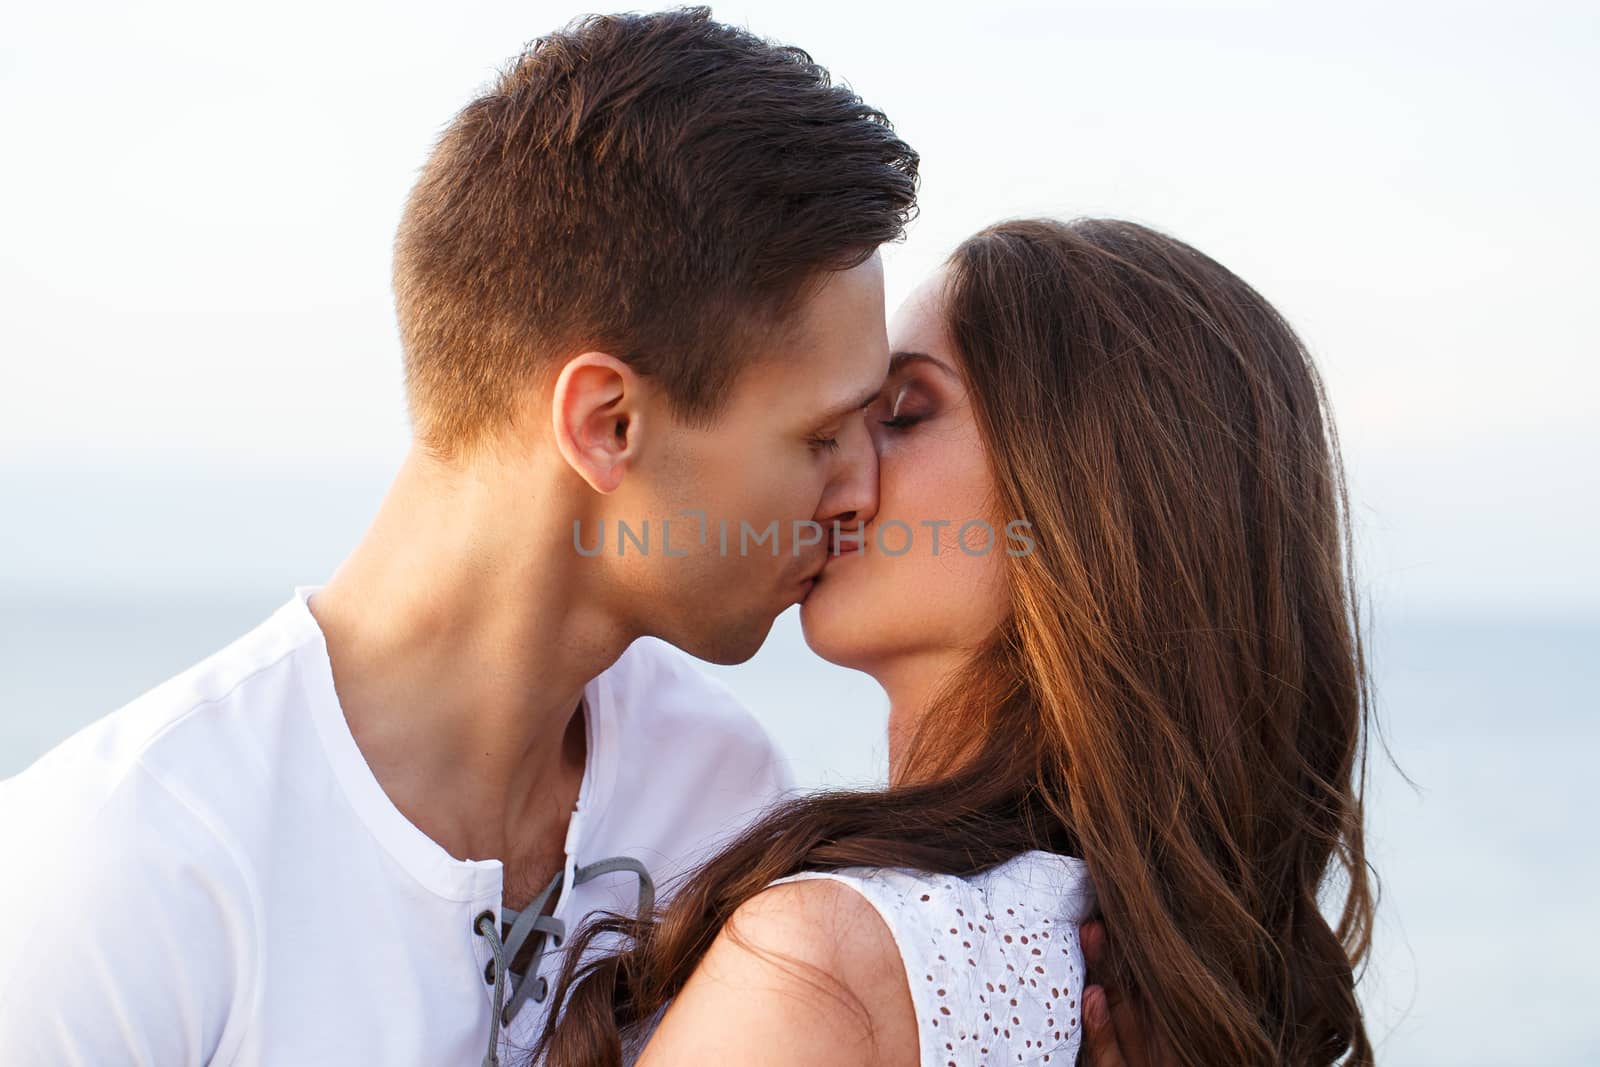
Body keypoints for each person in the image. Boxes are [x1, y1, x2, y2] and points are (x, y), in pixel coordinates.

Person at [0, 10, 915, 1064]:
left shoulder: (721, 793)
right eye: (820, 436)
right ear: (607, 424)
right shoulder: (124, 868)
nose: (863, 491)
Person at [531, 218, 1377, 1067]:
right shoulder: (1096, 956)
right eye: (841, 423)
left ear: (1081, 506)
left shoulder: (829, 963)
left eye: (900, 414)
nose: (843, 476)